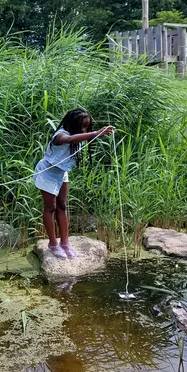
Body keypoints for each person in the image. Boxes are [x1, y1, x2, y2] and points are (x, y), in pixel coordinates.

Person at [34, 108, 114, 259]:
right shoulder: (60, 135)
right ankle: (52, 243)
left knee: (62, 205)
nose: (84, 129)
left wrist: (97, 133)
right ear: (72, 124)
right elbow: (69, 140)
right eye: (82, 126)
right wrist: (96, 133)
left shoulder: (76, 135)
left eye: (87, 127)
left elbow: (77, 138)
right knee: (50, 207)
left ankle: (65, 243)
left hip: (61, 173)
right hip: (48, 172)